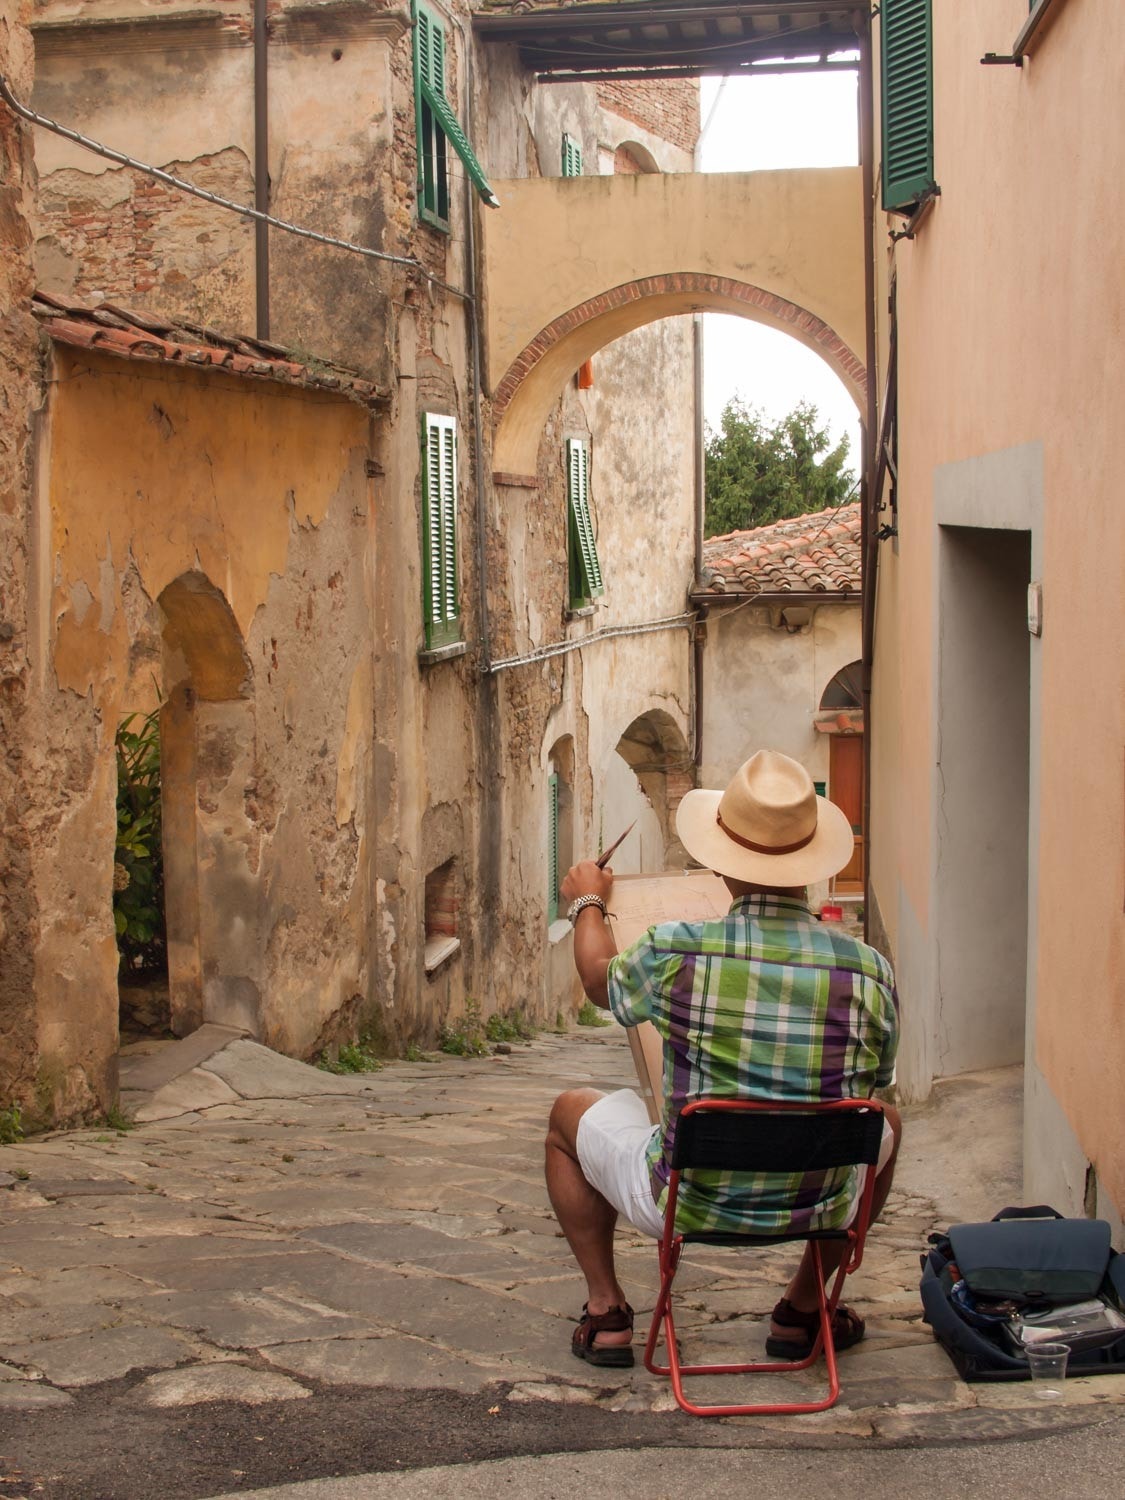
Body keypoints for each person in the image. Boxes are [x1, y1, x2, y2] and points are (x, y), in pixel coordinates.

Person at [545, 748, 901, 1368]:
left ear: (723, 866)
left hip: (686, 1199)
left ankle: (606, 1313)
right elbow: (875, 1090)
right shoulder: (869, 969)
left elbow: (602, 983)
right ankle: (802, 1307)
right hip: (814, 1201)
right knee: (887, 1124)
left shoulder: (676, 950)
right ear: (811, 865)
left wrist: (587, 902)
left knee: (566, 1116)